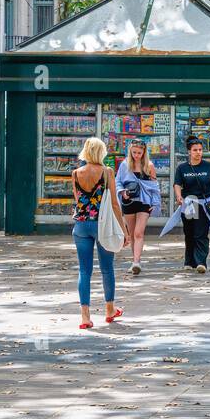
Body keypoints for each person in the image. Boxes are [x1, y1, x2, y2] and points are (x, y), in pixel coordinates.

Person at [69, 138, 125, 329]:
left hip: (81, 225)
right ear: (101, 152)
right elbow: (115, 205)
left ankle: (85, 316)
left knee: (84, 271)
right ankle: (109, 309)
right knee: (107, 269)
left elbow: (78, 201)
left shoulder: (76, 173)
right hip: (102, 226)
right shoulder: (107, 172)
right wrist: (124, 231)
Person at [170, 136, 210, 273]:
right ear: (189, 152)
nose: (198, 152)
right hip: (189, 203)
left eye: (200, 150)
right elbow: (177, 184)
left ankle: (201, 262)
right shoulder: (182, 168)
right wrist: (178, 196)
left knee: (201, 233)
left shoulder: (209, 167)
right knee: (189, 233)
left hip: (205, 203)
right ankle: (189, 261)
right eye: (195, 150)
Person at [116, 138, 161, 275]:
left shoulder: (149, 166)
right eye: (134, 152)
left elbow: (155, 187)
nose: (136, 155)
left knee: (138, 232)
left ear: (144, 152)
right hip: (129, 201)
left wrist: (156, 203)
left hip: (144, 201)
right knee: (131, 234)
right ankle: (135, 261)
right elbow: (118, 182)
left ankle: (136, 262)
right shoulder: (124, 165)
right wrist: (122, 192)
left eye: (139, 153)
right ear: (130, 151)